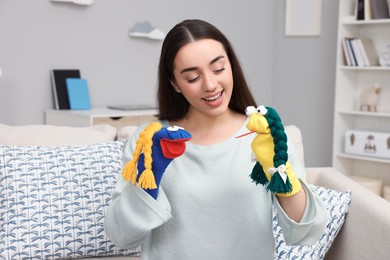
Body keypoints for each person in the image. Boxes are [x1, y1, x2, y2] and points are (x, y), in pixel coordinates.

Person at [105, 19, 326, 260]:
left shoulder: (263, 133)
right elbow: (121, 236)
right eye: (192, 78)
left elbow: (307, 233)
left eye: (218, 69)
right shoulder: (150, 140)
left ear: (231, 65)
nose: (210, 85)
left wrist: (281, 172)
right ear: (174, 83)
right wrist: (148, 183)